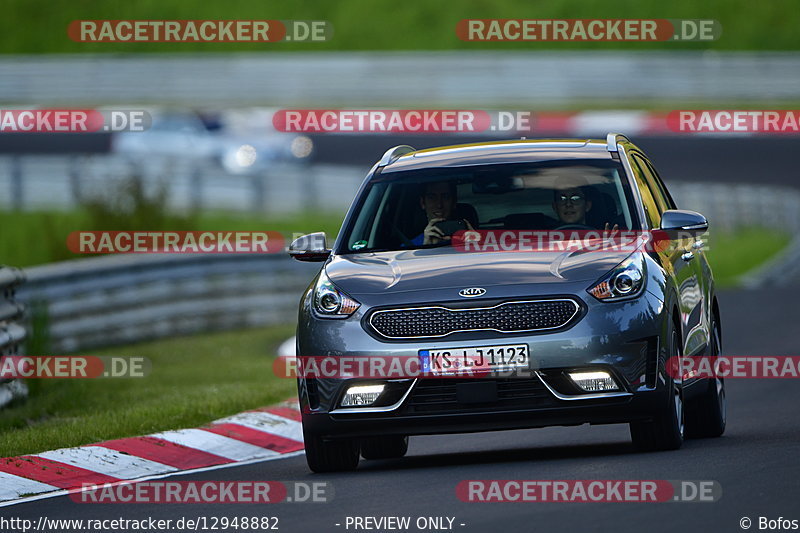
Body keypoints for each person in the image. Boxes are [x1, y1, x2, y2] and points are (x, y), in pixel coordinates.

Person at [411, 181, 474, 245]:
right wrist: (426, 248)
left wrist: (475, 245)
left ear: (454, 202)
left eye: (445, 197)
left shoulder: (469, 240)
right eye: (432, 197)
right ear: (422, 203)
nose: (439, 205)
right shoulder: (410, 247)